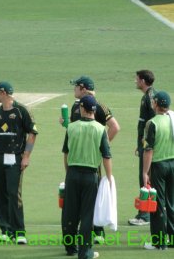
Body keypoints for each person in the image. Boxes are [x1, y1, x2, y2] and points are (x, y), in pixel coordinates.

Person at [61, 76, 120, 244]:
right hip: (86, 160)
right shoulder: (77, 107)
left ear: (83, 88)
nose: (73, 90)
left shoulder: (97, 106)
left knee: (88, 200)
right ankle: (89, 236)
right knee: (89, 198)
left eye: (75, 87)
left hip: (81, 163)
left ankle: (96, 232)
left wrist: (101, 147)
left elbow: (115, 127)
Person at [0, 81, 38, 244]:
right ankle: (6, 230)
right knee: (0, 194)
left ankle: (19, 231)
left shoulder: (22, 111)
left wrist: (26, 156)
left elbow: (32, 134)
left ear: (3, 93)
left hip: (15, 157)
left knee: (14, 193)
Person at [143, 91, 174, 250]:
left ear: (155, 103)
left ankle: (159, 242)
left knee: (158, 204)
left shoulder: (152, 123)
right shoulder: (172, 119)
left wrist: (144, 172)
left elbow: (149, 150)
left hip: (159, 166)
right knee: (171, 203)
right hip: (173, 164)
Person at [128, 70, 156, 226]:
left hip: (148, 146)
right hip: (145, 144)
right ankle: (149, 212)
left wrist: (145, 144)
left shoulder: (149, 98)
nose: (135, 81)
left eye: (137, 79)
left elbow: (152, 123)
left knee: (145, 177)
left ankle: (145, 215)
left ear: (143, 81)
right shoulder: (149, 96)